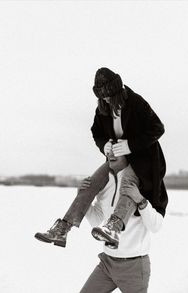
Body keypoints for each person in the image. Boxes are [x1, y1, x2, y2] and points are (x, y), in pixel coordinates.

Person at [34, 67, 168, 249]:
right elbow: (96, 132)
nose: (105, 99)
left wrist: (130, 145)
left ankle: (114, 227)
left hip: (142, 160)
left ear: (117, 91)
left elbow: (158, 128)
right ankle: (63, 228)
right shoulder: (102, 108)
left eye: (108, 95)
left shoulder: (136, 102)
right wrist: (104, 144)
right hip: (116, 157)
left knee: (128, 182)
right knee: (91, 182)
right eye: (101, 96)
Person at [80, 155, 163, 293]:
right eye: (109, 150)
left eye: (117, 150)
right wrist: (84, 197)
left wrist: (141, 200)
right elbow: (95, 219)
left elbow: (156, 226)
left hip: (134, 266)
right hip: (107, 263)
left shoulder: (144, 182)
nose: (111, 154)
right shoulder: (106, 184)